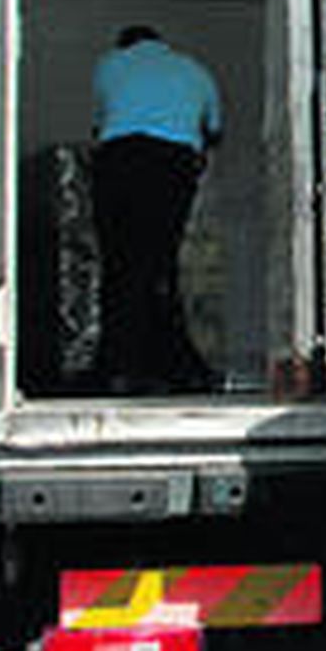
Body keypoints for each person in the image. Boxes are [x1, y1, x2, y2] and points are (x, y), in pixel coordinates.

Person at [90, 25, 221, 394]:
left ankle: (121, 365)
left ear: (125, 44)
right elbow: (214, 130)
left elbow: (100, 120)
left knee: (120, 264)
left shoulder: (109, 64)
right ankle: (171, 364)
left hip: (119, 161)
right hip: (172, 164)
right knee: (158, 263)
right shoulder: (195, 70)